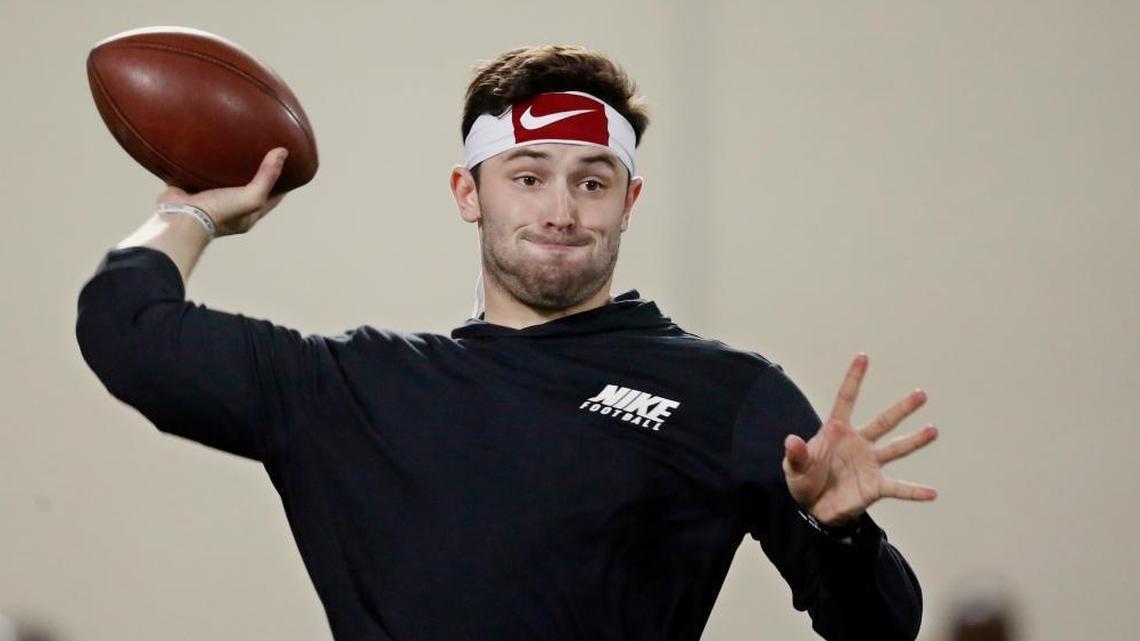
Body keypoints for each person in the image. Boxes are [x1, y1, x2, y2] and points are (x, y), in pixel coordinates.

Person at [75, 45, 939, 641]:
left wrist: (842, 532)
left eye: (592, 182)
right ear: (469, 191)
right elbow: (126, 329)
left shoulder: (727, 392)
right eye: (528, 178)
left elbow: (879, 628)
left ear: (628, 202)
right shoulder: (359, 386)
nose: (561, 211)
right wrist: (189, 211)